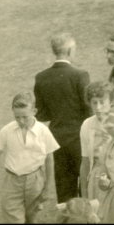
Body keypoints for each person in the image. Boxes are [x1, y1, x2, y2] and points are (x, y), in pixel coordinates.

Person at [0, 91, 59, 223]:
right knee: (15, 220)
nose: (21, 121)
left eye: (25, 117)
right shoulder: (7, 130)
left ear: (34, 111)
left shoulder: (43, 131)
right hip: (12, 183)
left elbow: (50, 159)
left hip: (35, 182)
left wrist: (48, 187)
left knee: (31, 218)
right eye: (17, 117)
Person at [33, 34, 91, 204]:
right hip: (80, 140)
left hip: (56, 140)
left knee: (64, 190)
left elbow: (41, 114)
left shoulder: (41, 77)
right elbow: (89, 110)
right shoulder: (80, 75)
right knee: (86, 187)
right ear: (70, 51)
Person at [79, 81, 114, 199]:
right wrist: (84, 195)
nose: (98, 108)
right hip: (96, 176)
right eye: (94, 102)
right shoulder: (87, 125)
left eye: (102, 102)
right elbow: (85, 163)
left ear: (111, 102)